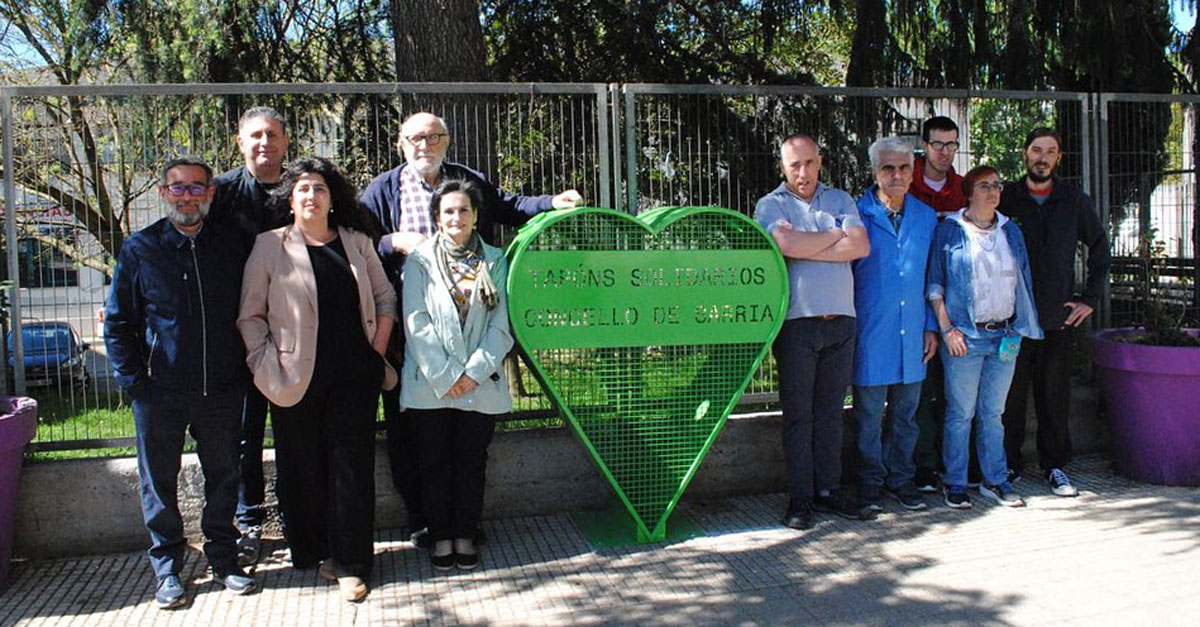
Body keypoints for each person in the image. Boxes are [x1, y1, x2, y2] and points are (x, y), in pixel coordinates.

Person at [361, 111, 580, 548]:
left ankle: (464, 522)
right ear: (401, 144)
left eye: (433, 137)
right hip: (411, 334)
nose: (424, 145)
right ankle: (424, 519)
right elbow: (360, 240)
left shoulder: (465, 180)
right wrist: (394, 243)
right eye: (415, 138)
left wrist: (550, 203)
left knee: (468, 440)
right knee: (409, 434)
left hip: (472, 327)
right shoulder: (382, 189)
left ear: (446, 141)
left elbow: (508, 204)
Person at [238, 157, 396, 602]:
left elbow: (386, 299)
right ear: (290, 199)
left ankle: (351, 563)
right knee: (301, 466)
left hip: (354, 376)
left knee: (351, 470)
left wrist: (376, 352)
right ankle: (312, 551)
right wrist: (262, 363)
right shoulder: (269, 246)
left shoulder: (357, 242)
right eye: (303, 188)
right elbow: (250, 314)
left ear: (332, 198)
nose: (312, 195)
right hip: (291, 376)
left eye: (320, 188)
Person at [105, 156, 257, 609]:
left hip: (224, 390)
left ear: (210, 194)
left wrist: (244, 374)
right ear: (163, 193)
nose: (187, 196)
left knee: (224, 477)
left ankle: (225, 559)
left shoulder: (234, 245)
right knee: (160, 483)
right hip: (160, 393)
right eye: (177, 188)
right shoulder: (140, 249)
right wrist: (136, 383)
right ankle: (167, 567)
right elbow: (118, 324)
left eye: (196, 188)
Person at [753, 134, 874, 530]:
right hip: (796, 325)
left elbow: (860, 246)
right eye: (793, 166)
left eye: (808, 163)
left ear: (819, 162)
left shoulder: (840, 199)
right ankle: (800, 497)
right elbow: (783, 242)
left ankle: (829, 490)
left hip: (842, 320)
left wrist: (810, 245)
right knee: (798, 416)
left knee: (831, 414)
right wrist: (833, 235)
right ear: (783, 167)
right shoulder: (770, 205)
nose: (802, 173)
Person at [401, 178, 514, 571]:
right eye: (448, 210)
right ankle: (441, 535)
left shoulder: (495, 261)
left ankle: (465, 533)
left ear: (476, 215)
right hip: (430, 385)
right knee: (432, 463)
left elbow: (502, 325)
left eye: (464, 210)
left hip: (480, 384)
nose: (456, 217)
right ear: (437, 217)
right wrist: (447, 376)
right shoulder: (419, 261)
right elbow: (415, 321)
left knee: (470, 462)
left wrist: (474, 374)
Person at [1000, 128, 1111, 497]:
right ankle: (1009, 466)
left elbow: (1099, 248)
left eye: (1050, 151)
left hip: (1058, 320)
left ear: (1059, 158)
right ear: (1025, 153)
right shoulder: (1007, 199)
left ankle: (1056, 468)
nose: (1042, 158)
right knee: (1010, 398)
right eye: (1036, 150)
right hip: (1012, 321)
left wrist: (1090, 299)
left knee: (1054, 396)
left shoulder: (1073, 200)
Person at [927, 165, 1043, 509]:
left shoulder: (1011, 232)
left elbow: (1023, 282)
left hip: (1005, 335)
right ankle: (956, 482)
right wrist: (947, 330)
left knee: (993, 413)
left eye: (996, 185)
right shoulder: (950, 231)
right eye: (984, 186)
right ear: (969, 192)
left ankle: (995, 480)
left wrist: (1020, 328)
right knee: (960, 413)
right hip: (965, 336)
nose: (992, 192)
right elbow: (935, 286)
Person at [211, 106, 291, 565]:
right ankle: (249, 520)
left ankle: (299, 515)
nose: (265, 143)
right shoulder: (220, 193)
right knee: (244, 433)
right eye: (255, 136)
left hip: (295, 331)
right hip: (237, 333)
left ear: (285, 141)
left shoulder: (301, 188)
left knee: (296, 429)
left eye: (273, 135)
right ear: (240, 142)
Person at [851, 137, 939, 513]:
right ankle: (870, 483)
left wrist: (932, 326)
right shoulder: (856, 215)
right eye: (888, 168)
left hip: (914, 331)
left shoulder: (925, 216)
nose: (897, 175)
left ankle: (901, 480)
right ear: (874, 172)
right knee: (869, 416)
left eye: (904, 167)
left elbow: (934, 276)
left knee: (906, 415)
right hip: (871, 331)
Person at [908, 115, 967, 493]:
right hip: (914, 304)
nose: (944, 152)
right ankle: (922, 466)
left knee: (956, 392)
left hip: (958, 306)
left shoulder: (965, 189)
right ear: (924, 146)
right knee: (920, 391)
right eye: (938, 144)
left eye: (951, 145)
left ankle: (956, 466)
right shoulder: (904, 182)